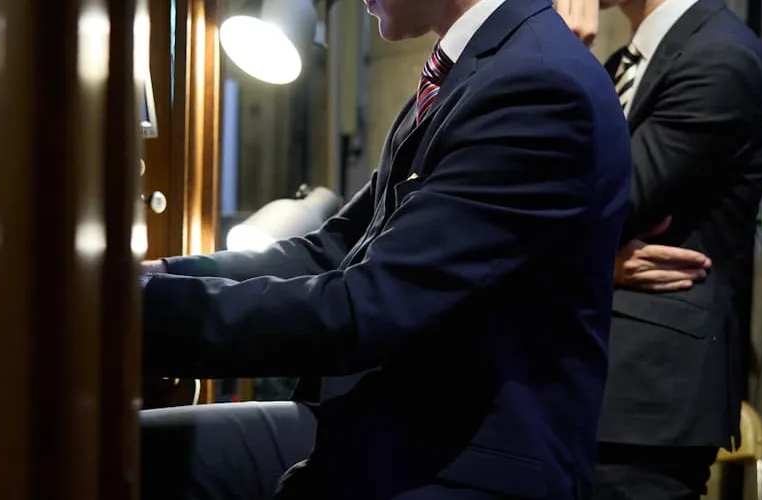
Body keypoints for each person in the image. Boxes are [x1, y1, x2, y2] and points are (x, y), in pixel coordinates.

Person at [137, 0, 632, 497]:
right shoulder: (475, 68)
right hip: (391, 424)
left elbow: (368, 307)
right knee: (135, 450)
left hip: (464, 463)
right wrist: (160, 274)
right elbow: (333, 249)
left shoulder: (536, 86)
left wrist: (129, 311)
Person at [585, 0, 762, 499]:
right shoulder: (620, 64)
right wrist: (598, 261)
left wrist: (553, 57)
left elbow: (598, 202)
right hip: (586, 380)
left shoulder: (720, 58)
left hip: (643, 400)